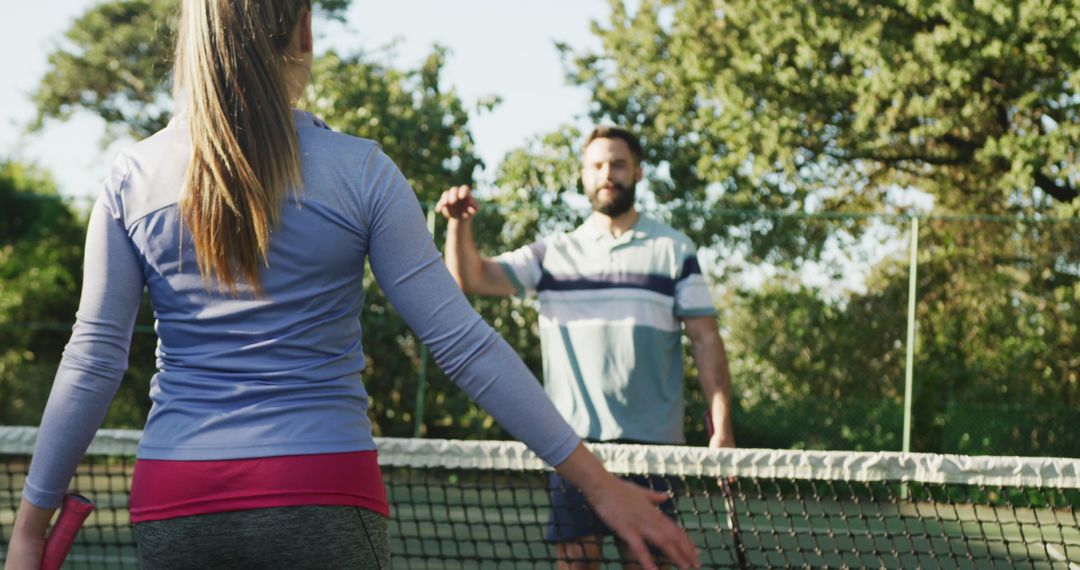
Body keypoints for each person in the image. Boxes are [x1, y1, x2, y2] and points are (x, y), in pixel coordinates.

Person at [3, 2, 702, 569]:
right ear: (305, 29)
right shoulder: (361, 171)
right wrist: (598, 484)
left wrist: (31, 526)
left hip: (177, 497)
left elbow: (93, 360)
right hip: (324, 490)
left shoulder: (131, 175)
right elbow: (463, 345)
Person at [436, 125, 736, 568]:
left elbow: (706, 339)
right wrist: (458, 225)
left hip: (654, 448)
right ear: (583, 176)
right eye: (597, 165)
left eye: (617, 164)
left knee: (649, 562)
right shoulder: (553, 253)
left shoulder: (675, 251)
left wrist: (722, 426)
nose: (607, 173)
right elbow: (471, 278)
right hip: (572, 447)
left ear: (637, 172)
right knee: (577, 562)